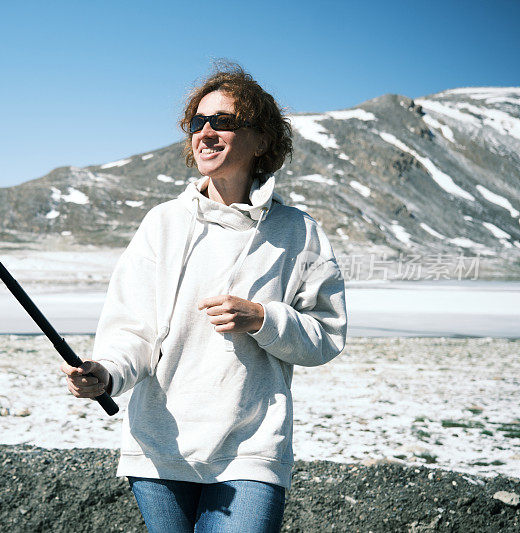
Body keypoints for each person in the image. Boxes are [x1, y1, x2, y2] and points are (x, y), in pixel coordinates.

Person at [61, 63, 347, 533]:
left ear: (262, 142)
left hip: (252, 450)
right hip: (159, 447)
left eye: (224, 122)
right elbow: (132, 329)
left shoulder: (299, 233)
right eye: (198, 122)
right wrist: (106, 374)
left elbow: (326, 335)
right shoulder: (163, 224)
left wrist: (263, 319)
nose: (207, 132)